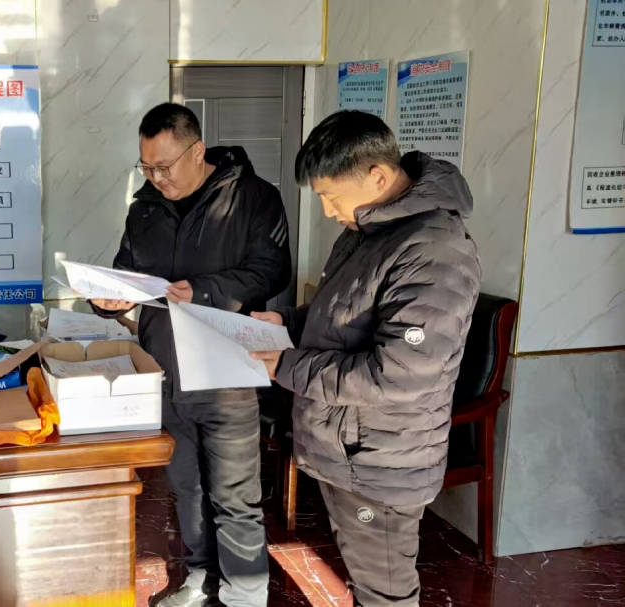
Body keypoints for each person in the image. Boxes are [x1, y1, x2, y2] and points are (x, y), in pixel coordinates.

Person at [250, 110, 481, 607]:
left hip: (380, 460)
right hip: (350, 447)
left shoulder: (433, 249)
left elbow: (396, 375)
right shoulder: (369, 228)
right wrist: (286, 322)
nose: (327, 210)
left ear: (376, 176)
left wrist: (284, 366)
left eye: (331, 195)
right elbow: (341, 311)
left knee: (385, 592)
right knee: (366, 578)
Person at [92, 103, 291, 607]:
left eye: (164, 166)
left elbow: (272, 270)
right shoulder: (143, 209)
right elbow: (127, 272)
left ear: (197, 150)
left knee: (235, 495)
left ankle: (245, 595)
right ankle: (201, 579)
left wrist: (203, 291)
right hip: (165, 370)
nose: (157, 179)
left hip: (228, 373)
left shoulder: (254, 197)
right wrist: (109, 298)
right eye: (147, 168)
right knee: (186, 488)